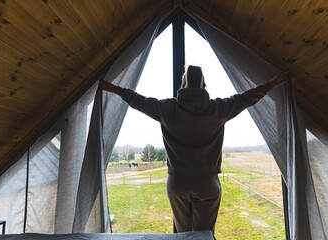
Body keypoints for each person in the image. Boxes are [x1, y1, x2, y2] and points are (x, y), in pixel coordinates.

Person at [100, 66, 287, 237]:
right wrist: (271, 84)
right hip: (207, 183)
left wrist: (115, 89)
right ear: (203, 84)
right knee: (204, 236)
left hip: (177, 183)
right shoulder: (219, 108)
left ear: (183, 84)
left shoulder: (167, 108)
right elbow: (247, 98)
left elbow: (137, 100)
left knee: (183, 237)